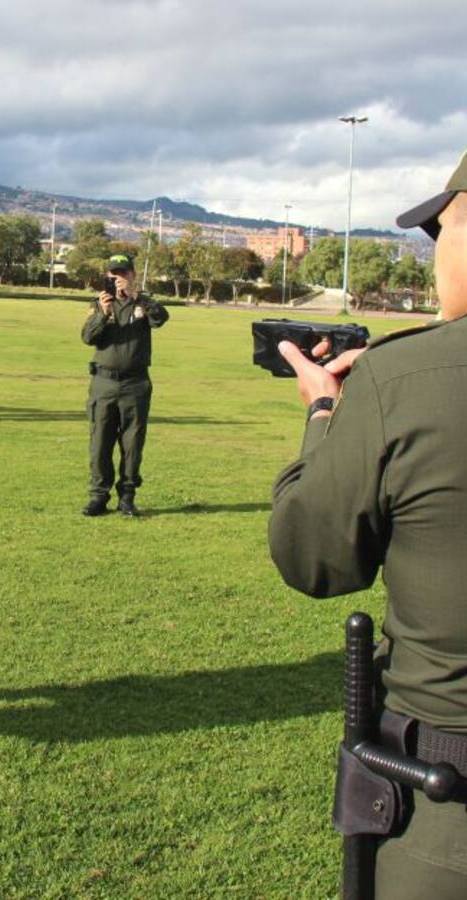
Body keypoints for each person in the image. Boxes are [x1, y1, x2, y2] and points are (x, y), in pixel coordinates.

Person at [269, 153, 467, 897]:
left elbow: (313, 557)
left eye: (441, 232)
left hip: (447, 806)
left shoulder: (403, 376)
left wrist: (326, 414)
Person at [79, 254, 169, 517]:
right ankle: (98, 497)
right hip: (104, 383)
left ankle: (127, 497)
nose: (118, 278)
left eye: (123, 273)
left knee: (132, 445)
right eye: (113, 274)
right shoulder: (98, 304)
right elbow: (87, 338)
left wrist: (137, 296)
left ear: (132, 275)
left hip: (135, 384)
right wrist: (104, 314)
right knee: (100, 443)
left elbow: (161, 318)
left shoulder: (143, 303)